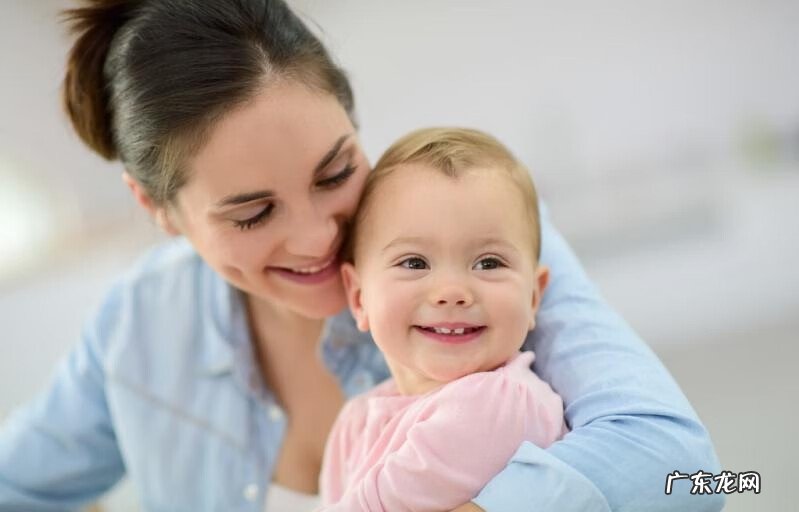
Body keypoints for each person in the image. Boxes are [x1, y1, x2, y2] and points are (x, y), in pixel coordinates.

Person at [0, 1, 723, 511]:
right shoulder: (139, 327)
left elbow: (689, 477)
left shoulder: (478, 254)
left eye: (335, 172)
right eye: (253, 213)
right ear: (156, 209)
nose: (319, 236)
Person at [317, 127, 569, 511]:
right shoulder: (354, 423)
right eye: (414, 262)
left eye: (488, 263)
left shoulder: (502, 403)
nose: (451, 291)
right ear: (358, 297)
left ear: (533, 297)